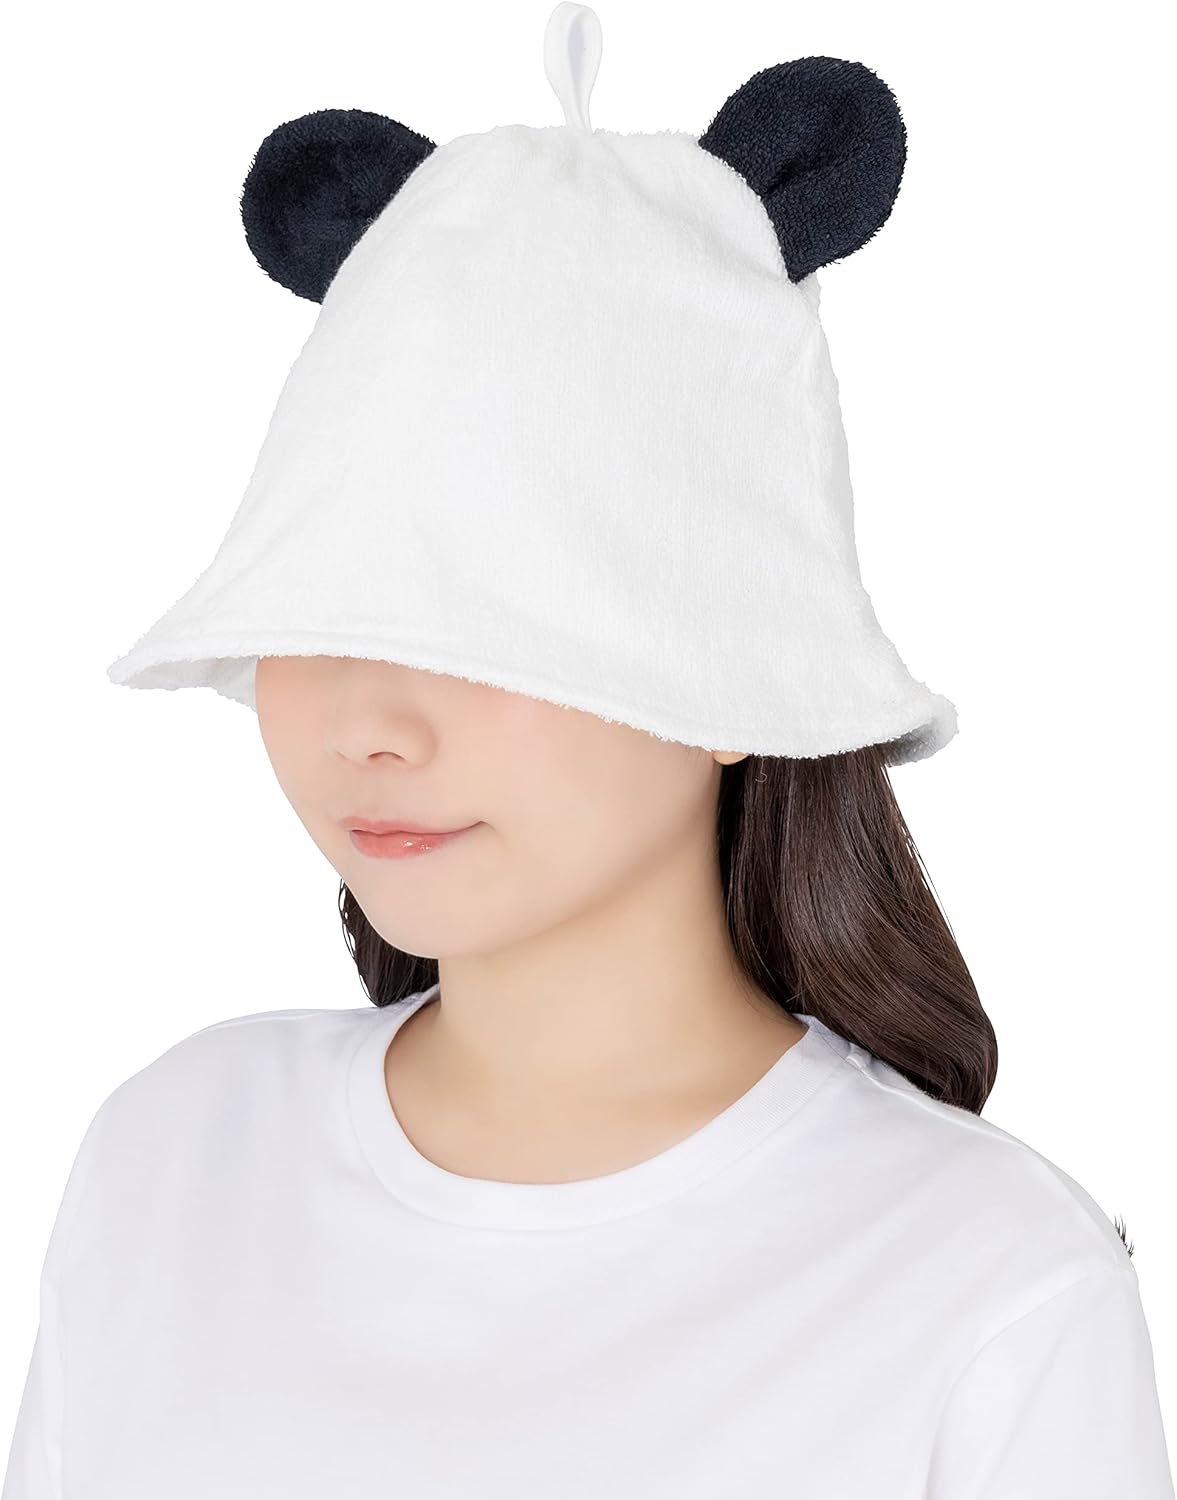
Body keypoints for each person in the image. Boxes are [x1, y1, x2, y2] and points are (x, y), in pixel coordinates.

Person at [4, 5, 1173, 1497]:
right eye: (318, 616)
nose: (368, 728)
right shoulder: (175, 1153)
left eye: (489, 629)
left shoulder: (989, 1280)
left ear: (745, 661)